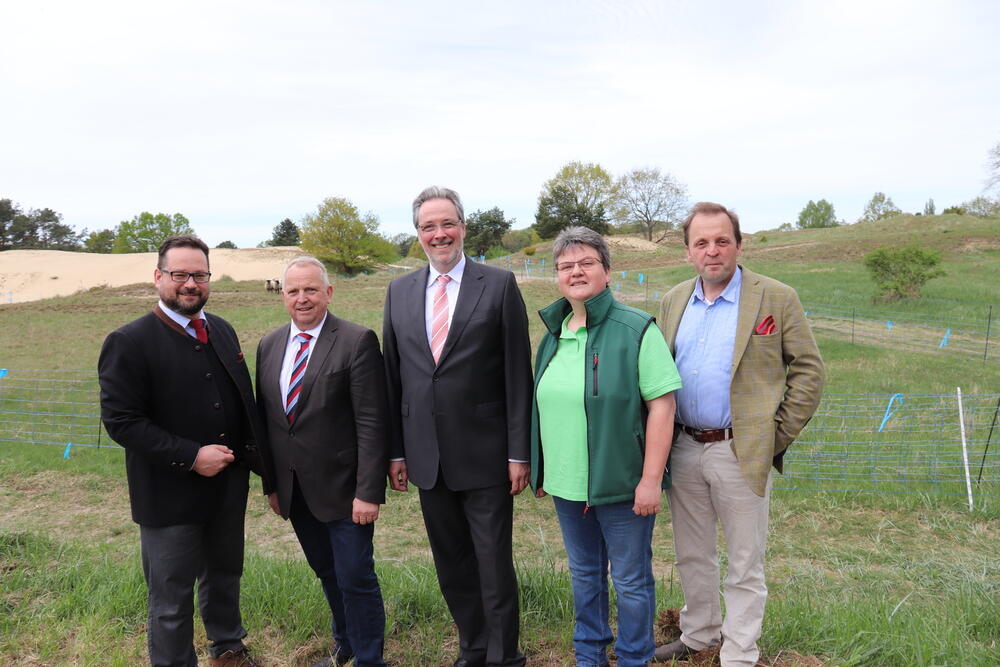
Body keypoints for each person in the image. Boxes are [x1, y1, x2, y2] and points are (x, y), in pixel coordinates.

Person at [653, 203, 825, 666]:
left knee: (745, 561)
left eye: (721, 241)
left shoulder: (775, 297)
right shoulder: (672, 301)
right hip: (684, 447)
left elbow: (809, 370)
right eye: (701, 243)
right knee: (692, 553)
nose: (713, 251)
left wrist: (775, 435)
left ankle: (740, 652)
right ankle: (699, 634)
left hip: (740, 450)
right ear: (688, 252)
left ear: (738, 244)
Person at [98, 235, 271, 667]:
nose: (190, 283)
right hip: (168, 495)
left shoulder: (223, 330)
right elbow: (123, 422)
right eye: (180, 274)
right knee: (171, 598)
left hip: (227, 491)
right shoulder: (129, 341)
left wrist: (266, 472)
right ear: (159, 277)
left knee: (225, 576)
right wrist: (192, 456)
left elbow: (243, 405)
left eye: (199, 274)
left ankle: (228, 647)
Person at [382, 186, 533, 667]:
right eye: (428, 226)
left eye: (447, 224)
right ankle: (471, 647)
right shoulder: (399, 291)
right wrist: (396, 451)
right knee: (451, 564)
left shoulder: (499, 284)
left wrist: (518, 452)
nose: (439, 234)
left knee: (492, 563)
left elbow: (516, 374)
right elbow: (393, 377)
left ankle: (503, 655)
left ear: (463, 228)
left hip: (487, 455)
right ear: (418, 234)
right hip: (427, 457)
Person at [530, 226, 681, 667]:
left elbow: (663, 407)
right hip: (567, 485)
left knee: (631, 580)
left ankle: (634, 658)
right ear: (557, 276)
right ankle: (590, 656)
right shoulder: (553, 334)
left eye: (586, 263)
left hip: (623, 485)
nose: (575, 271)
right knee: (584, 576)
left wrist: (651, 480)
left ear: (608, 272)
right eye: (565, 266)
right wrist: (542, 470)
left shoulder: (636, 329)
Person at [256, 256, 389, 667]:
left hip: (346, 492)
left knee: (355, 577)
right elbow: (268, 424)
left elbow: (371, 422)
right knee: (327, 573)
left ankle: (370, 659)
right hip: (295, 492)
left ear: (328, 292)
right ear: (282, 296)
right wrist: (272, 486)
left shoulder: (356, 340)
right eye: (293, 290)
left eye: (311, 289)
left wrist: (369, 492)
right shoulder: (269, 345)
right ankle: (345, 643)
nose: (302, 298)